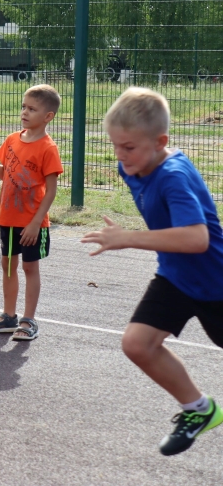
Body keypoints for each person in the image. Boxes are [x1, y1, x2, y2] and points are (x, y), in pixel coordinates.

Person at [81, 87, 223, 455]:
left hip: (216, 280)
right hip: (176, 277)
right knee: (137, 344)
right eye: (115, 145)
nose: (119, 155)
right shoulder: (132, 166)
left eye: (128, 147)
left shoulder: (173, 175)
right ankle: (199, 410)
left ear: (161, 141)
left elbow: (197, 239)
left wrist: (128, 237)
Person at [0, 84, 63, 341]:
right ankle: (9, 317)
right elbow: (5, 174)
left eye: (32, 109)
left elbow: (51, 191)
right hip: (9, 219)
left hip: (33, 223)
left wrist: (36, 223)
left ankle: (28, 320)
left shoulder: (48, 148)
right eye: (23, 106)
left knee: (30, 268)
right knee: (8, 266)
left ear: (48, 116)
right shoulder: (12, 139)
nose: (24, 112)